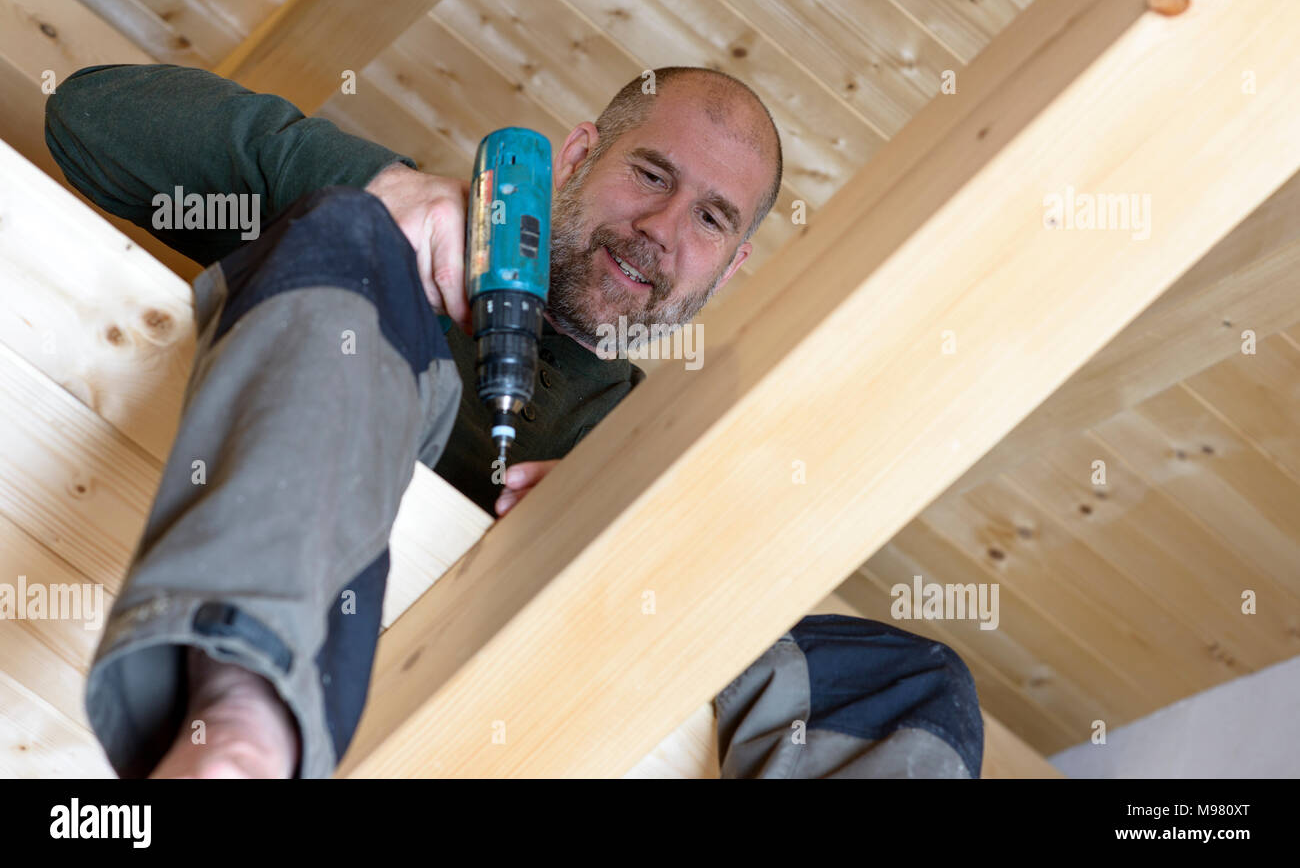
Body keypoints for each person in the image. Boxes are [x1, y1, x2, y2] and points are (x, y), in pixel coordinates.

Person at [45, 63, 983, 779]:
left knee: (918, 675)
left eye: (710, 219)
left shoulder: (660, 455)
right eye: (650, 172)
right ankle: (242, 729)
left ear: (729, 271)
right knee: (345, 237)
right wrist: (377, 183)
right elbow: (85, 119)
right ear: (575, 158)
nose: (661, 226)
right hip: (249, 656)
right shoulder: (394, 238)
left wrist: (635, 519)